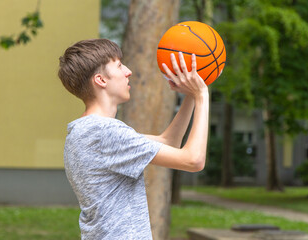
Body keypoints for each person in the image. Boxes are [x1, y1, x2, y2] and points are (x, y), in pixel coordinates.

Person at [58, 39, 209, 240]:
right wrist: (202, 95)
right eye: (119, 66)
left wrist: (190, 96)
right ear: (101, 80)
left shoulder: (84, 131)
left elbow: (168, 142)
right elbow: (193, 160)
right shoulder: (105, 132)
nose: (128, 71)